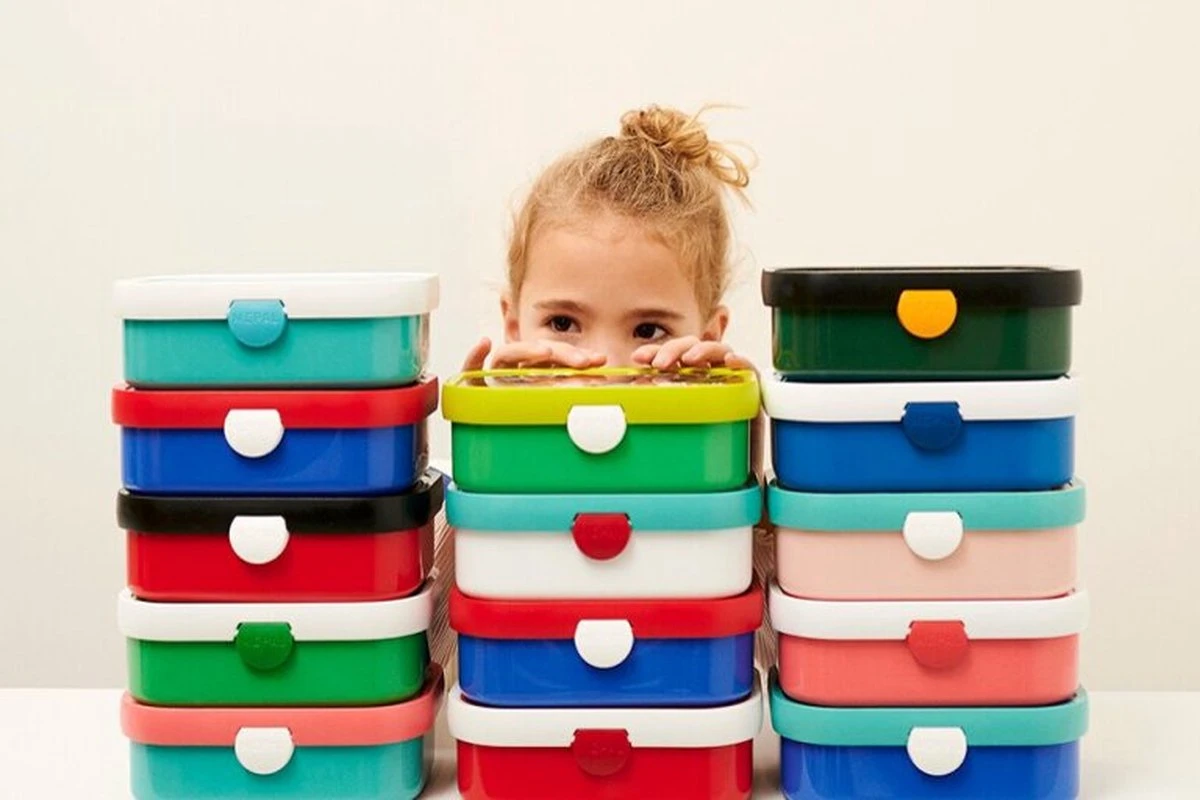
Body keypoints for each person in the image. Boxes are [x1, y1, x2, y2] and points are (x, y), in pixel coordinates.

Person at [430, 105, 775, 674]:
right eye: (563, 323)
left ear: (708, 338)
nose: (605, 367)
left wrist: (743, 476)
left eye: (649, 330)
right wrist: (485, 468)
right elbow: (427, 650)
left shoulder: (724, 499)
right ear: (513, 326)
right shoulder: (464, 496)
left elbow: (787, 655)